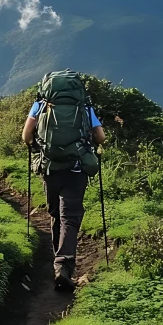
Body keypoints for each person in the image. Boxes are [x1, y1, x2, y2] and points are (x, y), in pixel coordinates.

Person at [21, 91, 106, 291]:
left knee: (55, 213)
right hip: (76, 171)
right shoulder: (84, 107)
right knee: (70, 215)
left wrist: (37, 147)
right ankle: (64, 266)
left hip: (50, 169)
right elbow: (100, 137)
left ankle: (57, 260)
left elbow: (26, 135)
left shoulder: (40, 105)